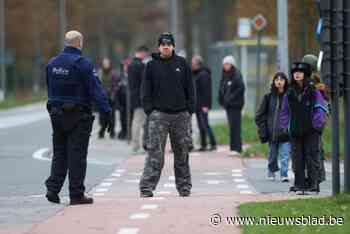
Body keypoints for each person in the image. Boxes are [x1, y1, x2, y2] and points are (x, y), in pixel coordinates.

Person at [45, 30, 112, 205]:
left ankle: (53, 189)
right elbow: (95, 89)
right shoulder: (83, 64)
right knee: (77, 155)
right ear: (79, 43)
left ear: (66, 42)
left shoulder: (52, 63)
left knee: (59, 153)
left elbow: (49, 88)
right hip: (78, 115)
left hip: (56, 113)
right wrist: (107, 111)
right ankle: (76, 194)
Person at [139, 32, 195, 197]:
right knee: (155, 153)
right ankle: (146, 187)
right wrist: (150, 110)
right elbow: (145, 90)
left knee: (182, 153)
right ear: (159, 47)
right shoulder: (151, 65)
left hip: (180, 116)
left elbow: (190, 88)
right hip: (159, 116)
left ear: (173, 46)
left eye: (169, 44)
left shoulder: (182, 64)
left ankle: (184, 186)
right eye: (163, 44)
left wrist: (189, 109)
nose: (166, 46)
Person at [279, 62, 328, 193]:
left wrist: (317, 125)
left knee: (312, 157)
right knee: (297, 158)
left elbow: (320, 108)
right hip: (295, 130)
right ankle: (299, 184)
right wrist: (285, 127)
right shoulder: (289, 92)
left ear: (305, 74)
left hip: (311, 131)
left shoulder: (313, 91)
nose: (297, 74)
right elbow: (284, 111)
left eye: (300, 72)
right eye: (295, 72)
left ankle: (313, 184)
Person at [255, 72, 290, 182]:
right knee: (272, 155)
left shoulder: (289, 96)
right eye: (277, 80)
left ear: (285, 82)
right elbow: (259, 115)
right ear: (274, 82)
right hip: (272, 133)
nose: (279, 82)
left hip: (286, 133)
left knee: (285, 156)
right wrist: (263, 129)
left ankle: (284, 174)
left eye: (282, 80)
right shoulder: (268, 97)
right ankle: (271, 172)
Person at [302, 54, 329, 183]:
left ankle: (315, 176)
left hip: (312, 121)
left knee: (312, 150)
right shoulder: (318, 82)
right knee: (318, 148)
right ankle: (319, 174)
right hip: (319, 121)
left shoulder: (310, 83)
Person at [218, 55, 245, 155]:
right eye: (224, 64)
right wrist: (221, 100)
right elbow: (222, 88)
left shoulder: (237, 75)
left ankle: (237, 148)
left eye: (227, 64)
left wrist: (230, 98)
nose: (225, 66)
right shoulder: (225, 75)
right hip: (228, 105)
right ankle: (233, 147)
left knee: (235, 126)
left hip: (235, 105)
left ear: (232, 64)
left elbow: (240, 88)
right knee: (231, 126)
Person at [191, 55, 217, 151]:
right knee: (201, 125)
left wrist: (206, 105)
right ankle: (203, 144)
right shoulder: (196, 74)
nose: (192, 65)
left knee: (205, 124)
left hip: (203, 105)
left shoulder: (204, 74)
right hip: (197, 105)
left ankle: (213, 143)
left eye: (193, 63)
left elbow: (206, 91)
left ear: (198, 64)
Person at [128, 46, 149, 153]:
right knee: (140, 122)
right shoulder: (141, 66)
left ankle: (135, 144)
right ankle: (138, 145)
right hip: (141, 97)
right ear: (142, 53)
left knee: (136, 120)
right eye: (145, 54)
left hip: (133, 96)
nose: (146, 56)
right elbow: (145, 82)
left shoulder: (131, 65)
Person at [98, 57, 118, 139]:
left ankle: (112, 131)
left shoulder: (113, 73)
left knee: (111, 115)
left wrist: (113, 94)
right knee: (102, 116)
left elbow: (115, 85)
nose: (106, 65)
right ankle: (102, 130)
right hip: (102, 97)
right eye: (104, 63)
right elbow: (97, 84)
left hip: (110, 97)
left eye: (107, 63)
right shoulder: (99, 72)